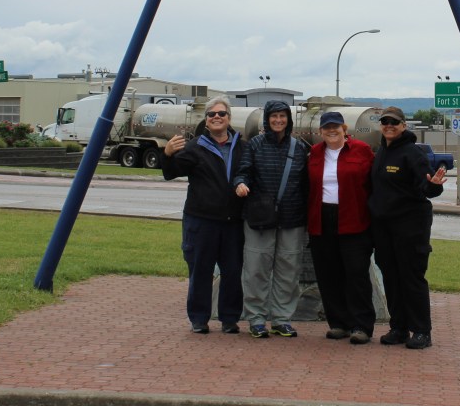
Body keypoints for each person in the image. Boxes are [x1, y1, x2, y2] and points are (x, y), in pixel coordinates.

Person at [161, 95, 246, 335]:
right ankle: (199, 318)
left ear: (229, 118)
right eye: (212, 115)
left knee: (232, 271)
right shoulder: (195, 146)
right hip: (202, 220)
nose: (216, 117)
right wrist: (167, 154)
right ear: (206, 121)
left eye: (221, 114)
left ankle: (229, 319)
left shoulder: (243, 145)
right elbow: (171, 172)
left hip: (233, 222)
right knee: (201, 270)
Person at [369, 105, 446, 350]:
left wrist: (434, 186)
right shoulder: (382, 151)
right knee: (391, 278)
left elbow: (427, 186)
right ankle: (399, 327)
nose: (389, 126)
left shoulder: (413, 153)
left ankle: (422, 331)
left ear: (403, 126)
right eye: (385, 122)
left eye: (394, 122)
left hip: (410, 227)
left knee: (411, 278)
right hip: (384, 228)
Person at [232, 100, 310, 339]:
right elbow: (243, 170)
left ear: (289, 119)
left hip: (292, 217)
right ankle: (256, 318)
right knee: (256, 269)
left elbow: (308, 180)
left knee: (289, 269)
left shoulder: (298, 148)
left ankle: (281, 319)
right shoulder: (254, 144)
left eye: (282, 116)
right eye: (274, 116)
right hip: (260, 216)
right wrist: (240, 183)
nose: (278, 120)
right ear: (267, 119)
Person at [306, 110, 376, 344]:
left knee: (356, 274)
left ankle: (361, 325)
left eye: (336, 127)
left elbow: (374, 184)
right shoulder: (315, 153)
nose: (332, 131)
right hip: (322, 218)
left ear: (345, 129)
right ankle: (338, 323)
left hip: (354, 218)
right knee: (328, 274)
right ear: (320, 132)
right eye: (327, 128)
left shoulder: (362, 151)